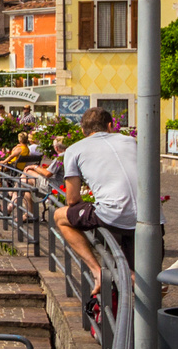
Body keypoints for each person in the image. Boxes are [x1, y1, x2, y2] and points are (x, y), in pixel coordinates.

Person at [52, 107, 139, 295]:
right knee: (142, 284)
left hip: (113, 217)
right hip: (151, 219)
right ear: (110, 126)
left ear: (83, 131)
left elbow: (72, 198)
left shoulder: (74, 150)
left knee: (60, 216)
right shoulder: (131, 141)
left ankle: (97, 271)